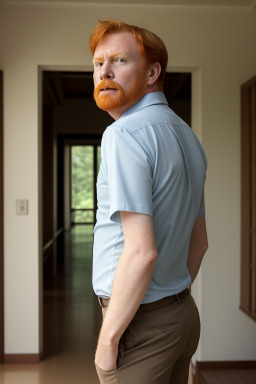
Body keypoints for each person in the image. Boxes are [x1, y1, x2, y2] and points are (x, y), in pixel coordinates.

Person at [90, 19, 208, 384]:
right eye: (98, 63)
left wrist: (108, 340)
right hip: (182, 316)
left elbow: (142, 252)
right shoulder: (187, 136)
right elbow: (200, 243)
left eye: (120, 60)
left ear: (153, 72)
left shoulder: (123, 133)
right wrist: (171, 304)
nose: (104, 72)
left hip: (140, 327)